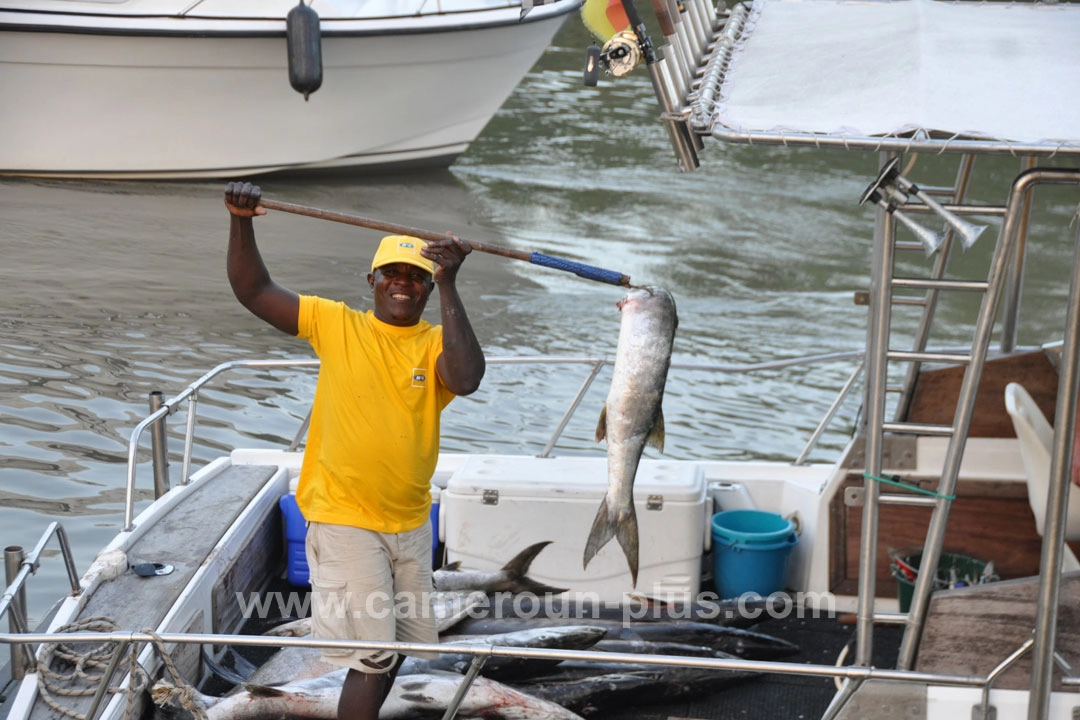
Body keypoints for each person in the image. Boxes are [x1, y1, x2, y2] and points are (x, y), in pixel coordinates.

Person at [224, 181, 485, 720]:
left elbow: (466, 379)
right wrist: (241, 221)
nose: (403, 285)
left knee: (393, 654)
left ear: (429, 289)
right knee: (373, 656)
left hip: (410, 522)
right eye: (392, 273)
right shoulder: (335, 323)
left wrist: (451, 283)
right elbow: (253, 290)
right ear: (372, 280)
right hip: (345, 518)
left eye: (417, 277)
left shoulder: (436, 341)